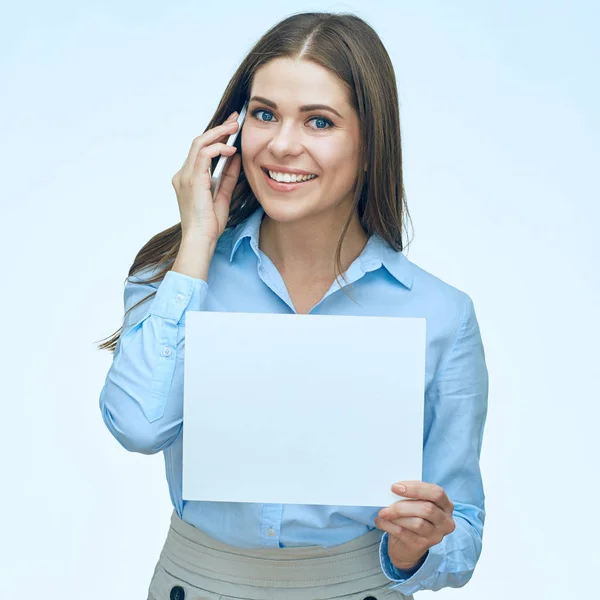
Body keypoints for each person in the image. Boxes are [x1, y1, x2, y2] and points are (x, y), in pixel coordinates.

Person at [97, 11, 489, 600]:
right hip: (197, 584)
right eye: (264, 114)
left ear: (369, 140)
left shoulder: (441, 315)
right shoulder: (177, 276)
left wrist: (418, 546)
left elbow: (463, 530)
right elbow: (138, 427)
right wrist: (197, 242)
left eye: (320, 121)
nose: (282, 144)